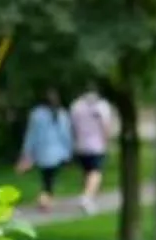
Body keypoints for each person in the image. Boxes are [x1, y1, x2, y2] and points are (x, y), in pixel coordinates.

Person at [16, 90, 74, 214]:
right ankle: (45, 200)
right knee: (50, 178)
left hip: (42, 153)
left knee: (47, 177)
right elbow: (66, 136)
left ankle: (45, 199)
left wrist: (27, 153)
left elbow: (31, 136)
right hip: (58, 153)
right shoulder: (62, 114)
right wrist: (68, 152)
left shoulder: (36, 115)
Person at [68, 86, 118, 214]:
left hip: (81, 144)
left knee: (86, 172)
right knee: (96, 172)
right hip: (97, 145)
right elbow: (106, 126)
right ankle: (87, 197)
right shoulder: (102, 106)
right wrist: (107, 141)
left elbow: (73, 126)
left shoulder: (76, 106)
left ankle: (88, 196)